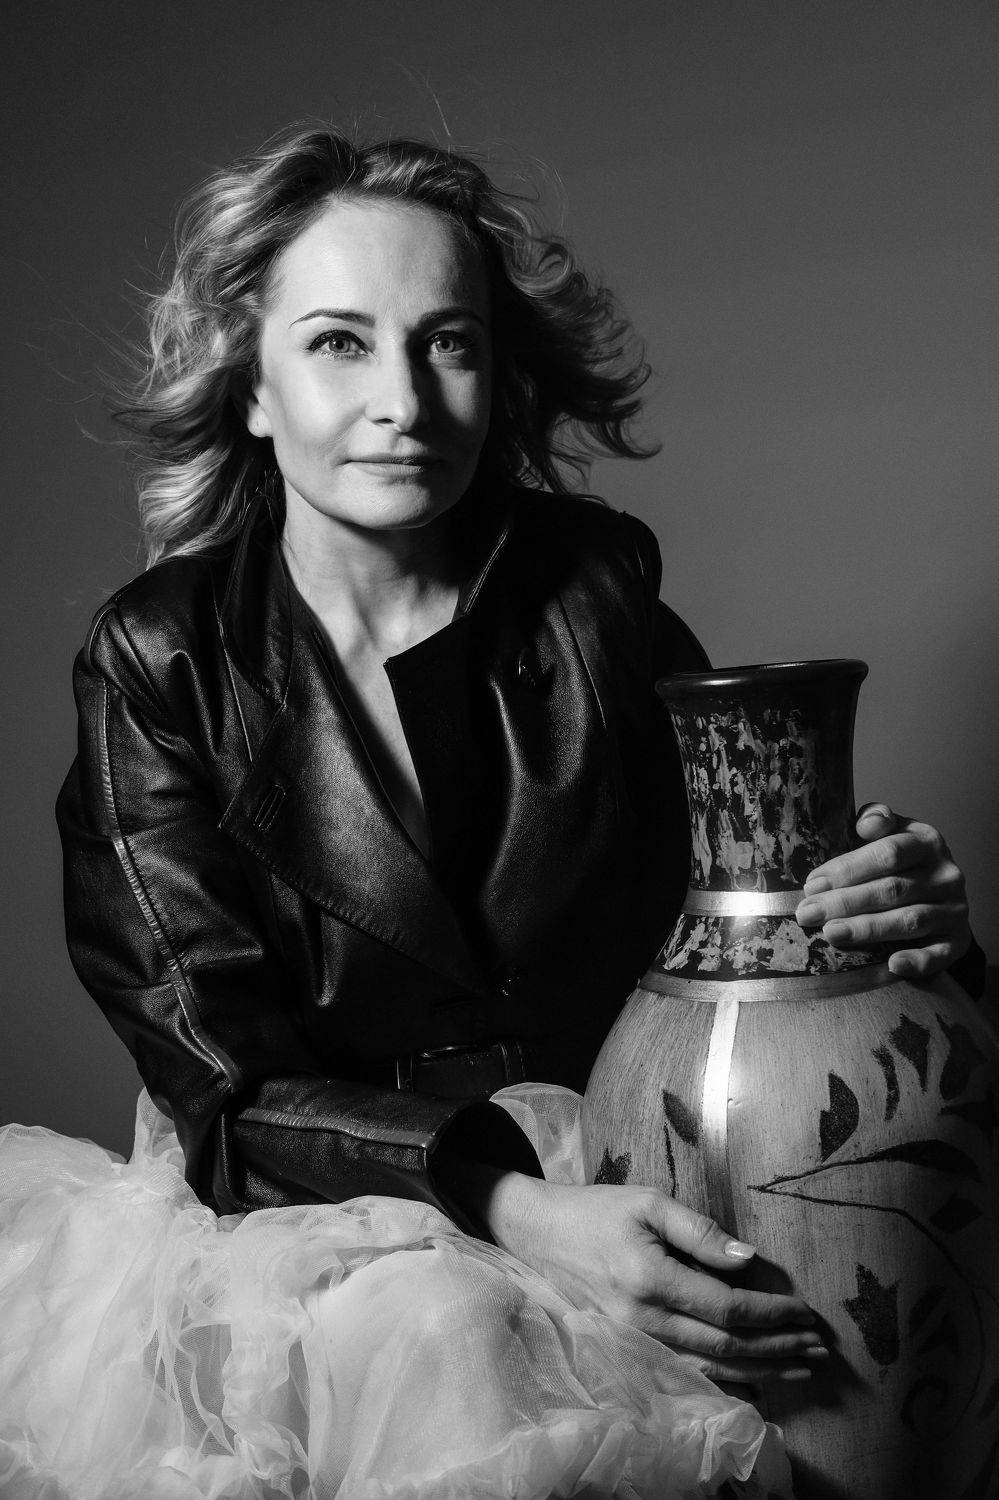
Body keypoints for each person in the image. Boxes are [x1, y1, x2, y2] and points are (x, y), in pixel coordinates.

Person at [0, 125, 982, 1500]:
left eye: (447, 343)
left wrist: (899, 925)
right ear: (254, 386)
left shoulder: (595, 598)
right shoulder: (160, 662)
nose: (402, 399)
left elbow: (749, 929)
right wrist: (521, 1213)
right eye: (339, 343)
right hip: (328, 1222)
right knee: (441, 1333)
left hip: (635, 1167)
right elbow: (229, 1091)